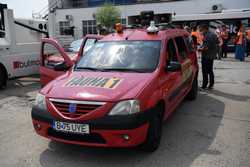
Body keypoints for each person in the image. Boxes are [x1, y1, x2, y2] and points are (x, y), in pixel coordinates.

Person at [198, 24, 219, 89]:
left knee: (205, 71)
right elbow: (217, 42)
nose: (200, 31)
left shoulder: (208, 35)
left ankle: (204, 85)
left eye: (200, 30)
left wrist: (199, 49)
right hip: (211, 55)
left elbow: (206, 47)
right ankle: (211, 85)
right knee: (210, 70)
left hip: (207, 56)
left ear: (204, 29)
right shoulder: (212, 34)